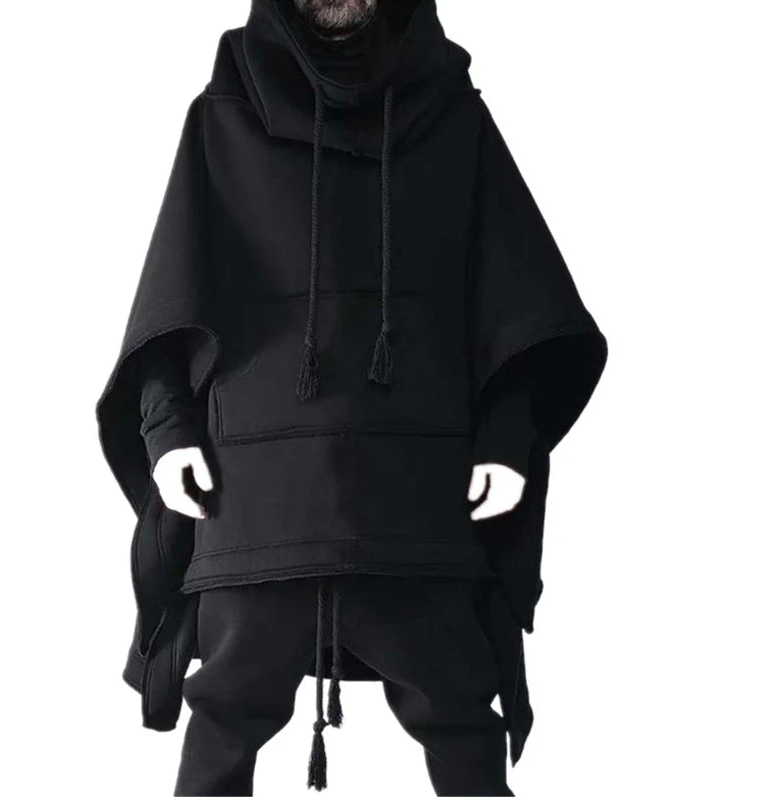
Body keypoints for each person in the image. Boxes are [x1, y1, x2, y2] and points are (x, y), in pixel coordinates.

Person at [95, 0, 607, 795]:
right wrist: (166, 432)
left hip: (418, 496)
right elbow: (171, 297)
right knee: (224, 724)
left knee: (463, 728)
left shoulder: (454, 118)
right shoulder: (221, 118)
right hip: (255, 499)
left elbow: (515, 298)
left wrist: (509, 437)